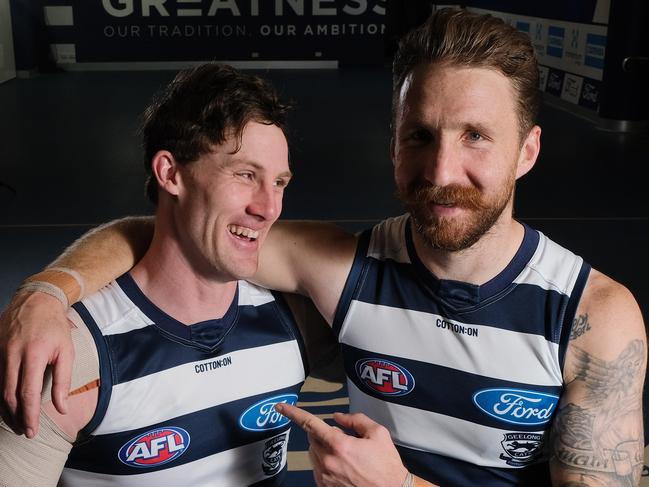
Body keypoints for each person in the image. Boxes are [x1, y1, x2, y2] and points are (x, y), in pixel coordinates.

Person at [1, 8, 646, 487]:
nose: (442, 169)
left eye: (476, 136)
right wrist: (46, 294)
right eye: (420, 135)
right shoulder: (347, 270)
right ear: (393, 144)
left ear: (527, 151)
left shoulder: (592, 320)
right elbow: (177, 230)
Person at [0, 63, 341, 486]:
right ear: (170, 173)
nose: (269, 208)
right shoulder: (71, 356)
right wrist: (44, 294)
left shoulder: (295, 320)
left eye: (280, 182)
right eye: (245, 175)